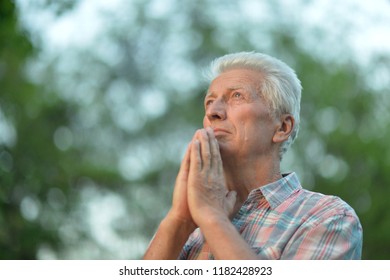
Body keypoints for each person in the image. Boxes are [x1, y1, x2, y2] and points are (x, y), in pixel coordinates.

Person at [143, 51, 363, 260]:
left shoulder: (327, 218)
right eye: (209, 102)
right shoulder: (189, 231)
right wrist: (179, 220)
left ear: (282, 127)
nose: (213, 112)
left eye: (237, 96)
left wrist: (213, 218)